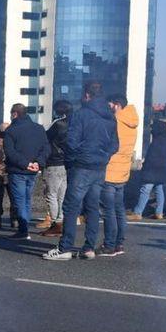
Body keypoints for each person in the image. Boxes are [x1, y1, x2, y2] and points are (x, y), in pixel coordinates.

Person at [44, 80, 118, 261]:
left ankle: (65, 248)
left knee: (71, 207)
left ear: (86, 94)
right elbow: (115, 145)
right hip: (100, 167)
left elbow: (71, 142)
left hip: (81, 165)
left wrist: (72, 161)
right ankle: (88, 248)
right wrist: (104, 156)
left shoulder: (81, 114)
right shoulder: (110, 116)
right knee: (92, 207)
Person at [98, 94, 139, 257]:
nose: (108, 108)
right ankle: (119, 243)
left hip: (110, 170)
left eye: (109, 105)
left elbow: (106, 144)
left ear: (116, 105)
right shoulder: (131, 122)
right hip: (123, 171)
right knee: (119, 209)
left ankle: (109, 245)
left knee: (109, 211)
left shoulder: (115, 121)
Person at [3, 103, 50, 240]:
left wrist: (25, 164)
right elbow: (46, 148)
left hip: (18, 170)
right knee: (27, 200)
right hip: (33, 171)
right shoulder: (39, 128)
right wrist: (38, 163)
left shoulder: (11, 131)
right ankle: (25, 228)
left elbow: (10, 152)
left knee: (19, 201)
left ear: (15, 114)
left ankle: (23, 231)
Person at [130, 120, 166, 221]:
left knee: (145, 190)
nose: (151, 130)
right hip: (163, 171)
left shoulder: (158, 140)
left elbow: (151, 158)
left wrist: (145, 169)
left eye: (153, 128)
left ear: (158, 129)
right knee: (159, 190)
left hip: (153, 171)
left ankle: (137, 213)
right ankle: (159, 213)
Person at [38, 100, 72, 236]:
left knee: (51, 194)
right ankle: (61, 220)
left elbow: (45, 138)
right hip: (66, 163)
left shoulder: (57, 124)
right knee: (62, 195)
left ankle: (55, 223)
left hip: (53, 162)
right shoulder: (74, 123)